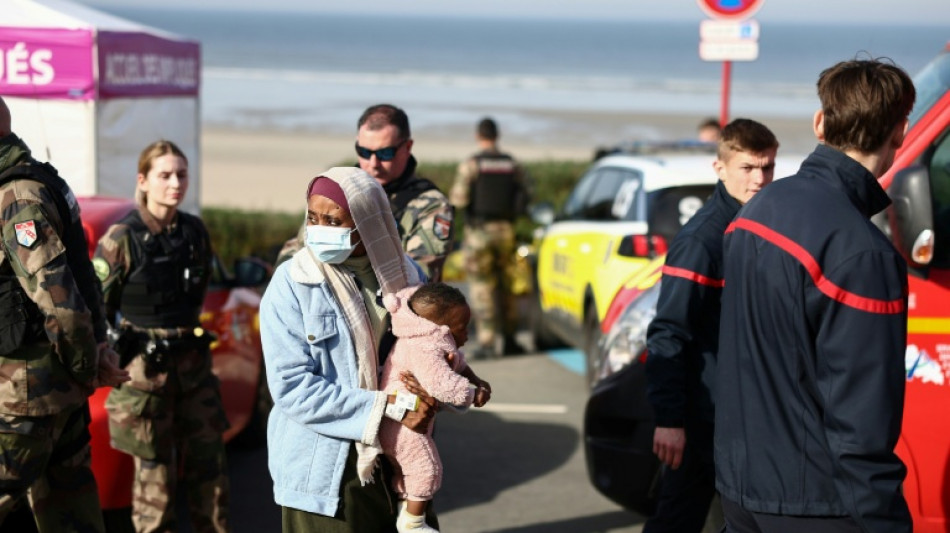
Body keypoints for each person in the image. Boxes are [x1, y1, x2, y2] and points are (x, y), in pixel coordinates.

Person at [716, 59, 915, 532]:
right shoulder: (861, 253)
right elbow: (862, 423)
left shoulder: (759, 209)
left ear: (821, 123)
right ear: (902, 131)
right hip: (817, 503)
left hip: (741, 488)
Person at [261, 167, 446, 532]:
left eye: (333, 220)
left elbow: (430, 348)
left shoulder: (408, 278)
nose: (318, 230)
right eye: (312, 218)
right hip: (330, 468)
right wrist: (387, 410)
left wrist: (429, 398)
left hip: (400, 461)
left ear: (368, 222)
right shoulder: (293, 283)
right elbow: (292, 388)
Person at [0, 96, 129, 531]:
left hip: (26, 396)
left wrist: (86, 364)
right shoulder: (35, 182)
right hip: (49, 391)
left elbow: (61, 300)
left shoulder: (18, 196)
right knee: (68, 514)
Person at [644, 118, 778, 533]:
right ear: (720, 168)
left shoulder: (762, 223)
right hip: (706, 418)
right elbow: (668, 335)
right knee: (676, 520)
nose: (759, 179)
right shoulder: (702, 240)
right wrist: (670, 421)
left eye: (767, 167)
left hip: (744, 413)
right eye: (747, 168)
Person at [93, 140, 230, 532]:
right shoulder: (123, 238)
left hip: (194, 368)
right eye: (165, 175)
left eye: (181, 175)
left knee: (212, 473)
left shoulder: (194, 232)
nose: (175, 183)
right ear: (144, 181)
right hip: (144, 375)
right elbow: (96, 306)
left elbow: (197, 294)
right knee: (155, 484)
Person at [276, 104, 454, 282]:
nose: (373, 163)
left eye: (385, 153)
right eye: (364, 152)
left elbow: (420, 278)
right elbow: (298, 245)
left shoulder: (430, 205)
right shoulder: (339, 190)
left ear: (407, 147)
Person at [378, 282, 492, 533]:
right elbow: (443, 385)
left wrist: (477, 380)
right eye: (463, 328)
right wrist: (473, 395)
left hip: (404, 421)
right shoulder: (423, 348)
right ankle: (413, 524)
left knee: (406, 472)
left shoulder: (432, 339)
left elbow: (458, 363)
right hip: (401, 424)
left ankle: (404, 512)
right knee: (426, 468)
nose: (468, 334)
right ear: (441, 329)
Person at [449, 117, 530, 358]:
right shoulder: (512, 164)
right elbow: (526, 194)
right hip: (506, 231)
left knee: (482, 287)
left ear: (478, 135)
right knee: (507, 286)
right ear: (498, 135)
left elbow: (458, 199)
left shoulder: (472, 164)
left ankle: (486, 341)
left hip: (480, 234)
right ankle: (511, 339)